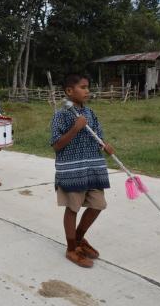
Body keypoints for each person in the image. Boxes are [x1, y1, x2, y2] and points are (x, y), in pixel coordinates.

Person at [50, 73, 114, 268]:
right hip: (72, 170)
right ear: (69, 91)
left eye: (88, 87)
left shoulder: (91, 113)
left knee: (98, 204)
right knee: (73, 208)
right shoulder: (60, 115)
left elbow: (99, 137)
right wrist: (75, 129)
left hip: (92, 168)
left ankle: (79, 238)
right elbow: (56, 145)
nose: (88, 91)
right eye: (83, 87)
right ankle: (71, 248)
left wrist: (106, 145)